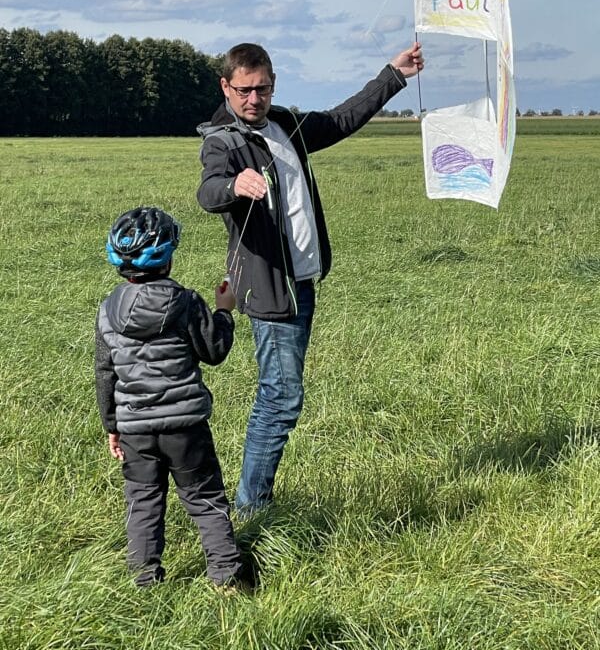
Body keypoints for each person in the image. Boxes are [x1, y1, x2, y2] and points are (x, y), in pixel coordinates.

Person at [196, 42, 424, 514]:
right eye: (243, 90)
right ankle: (250, 508)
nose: (253, 99)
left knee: (279, 394)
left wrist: (393, 75)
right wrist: (234, 186)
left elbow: (342, 119)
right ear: (226, 87)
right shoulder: (223, 140)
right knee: (280, 397)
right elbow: (208, 189)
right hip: (269, 285)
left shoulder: (286, 125)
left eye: (261, 88)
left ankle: (251, 502)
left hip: (301, 281)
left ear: (272, 85)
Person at [94, 206, 243, 588]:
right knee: (205, 499)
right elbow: (215, 351)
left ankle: (145, 583)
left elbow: (105, 374)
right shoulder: (185, 302)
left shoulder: (107, 310)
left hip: (135, 428)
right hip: (185, 425)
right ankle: (227, 580)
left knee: (142, 502)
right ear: (168, 256)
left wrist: (113, 426)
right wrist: (224, 312)